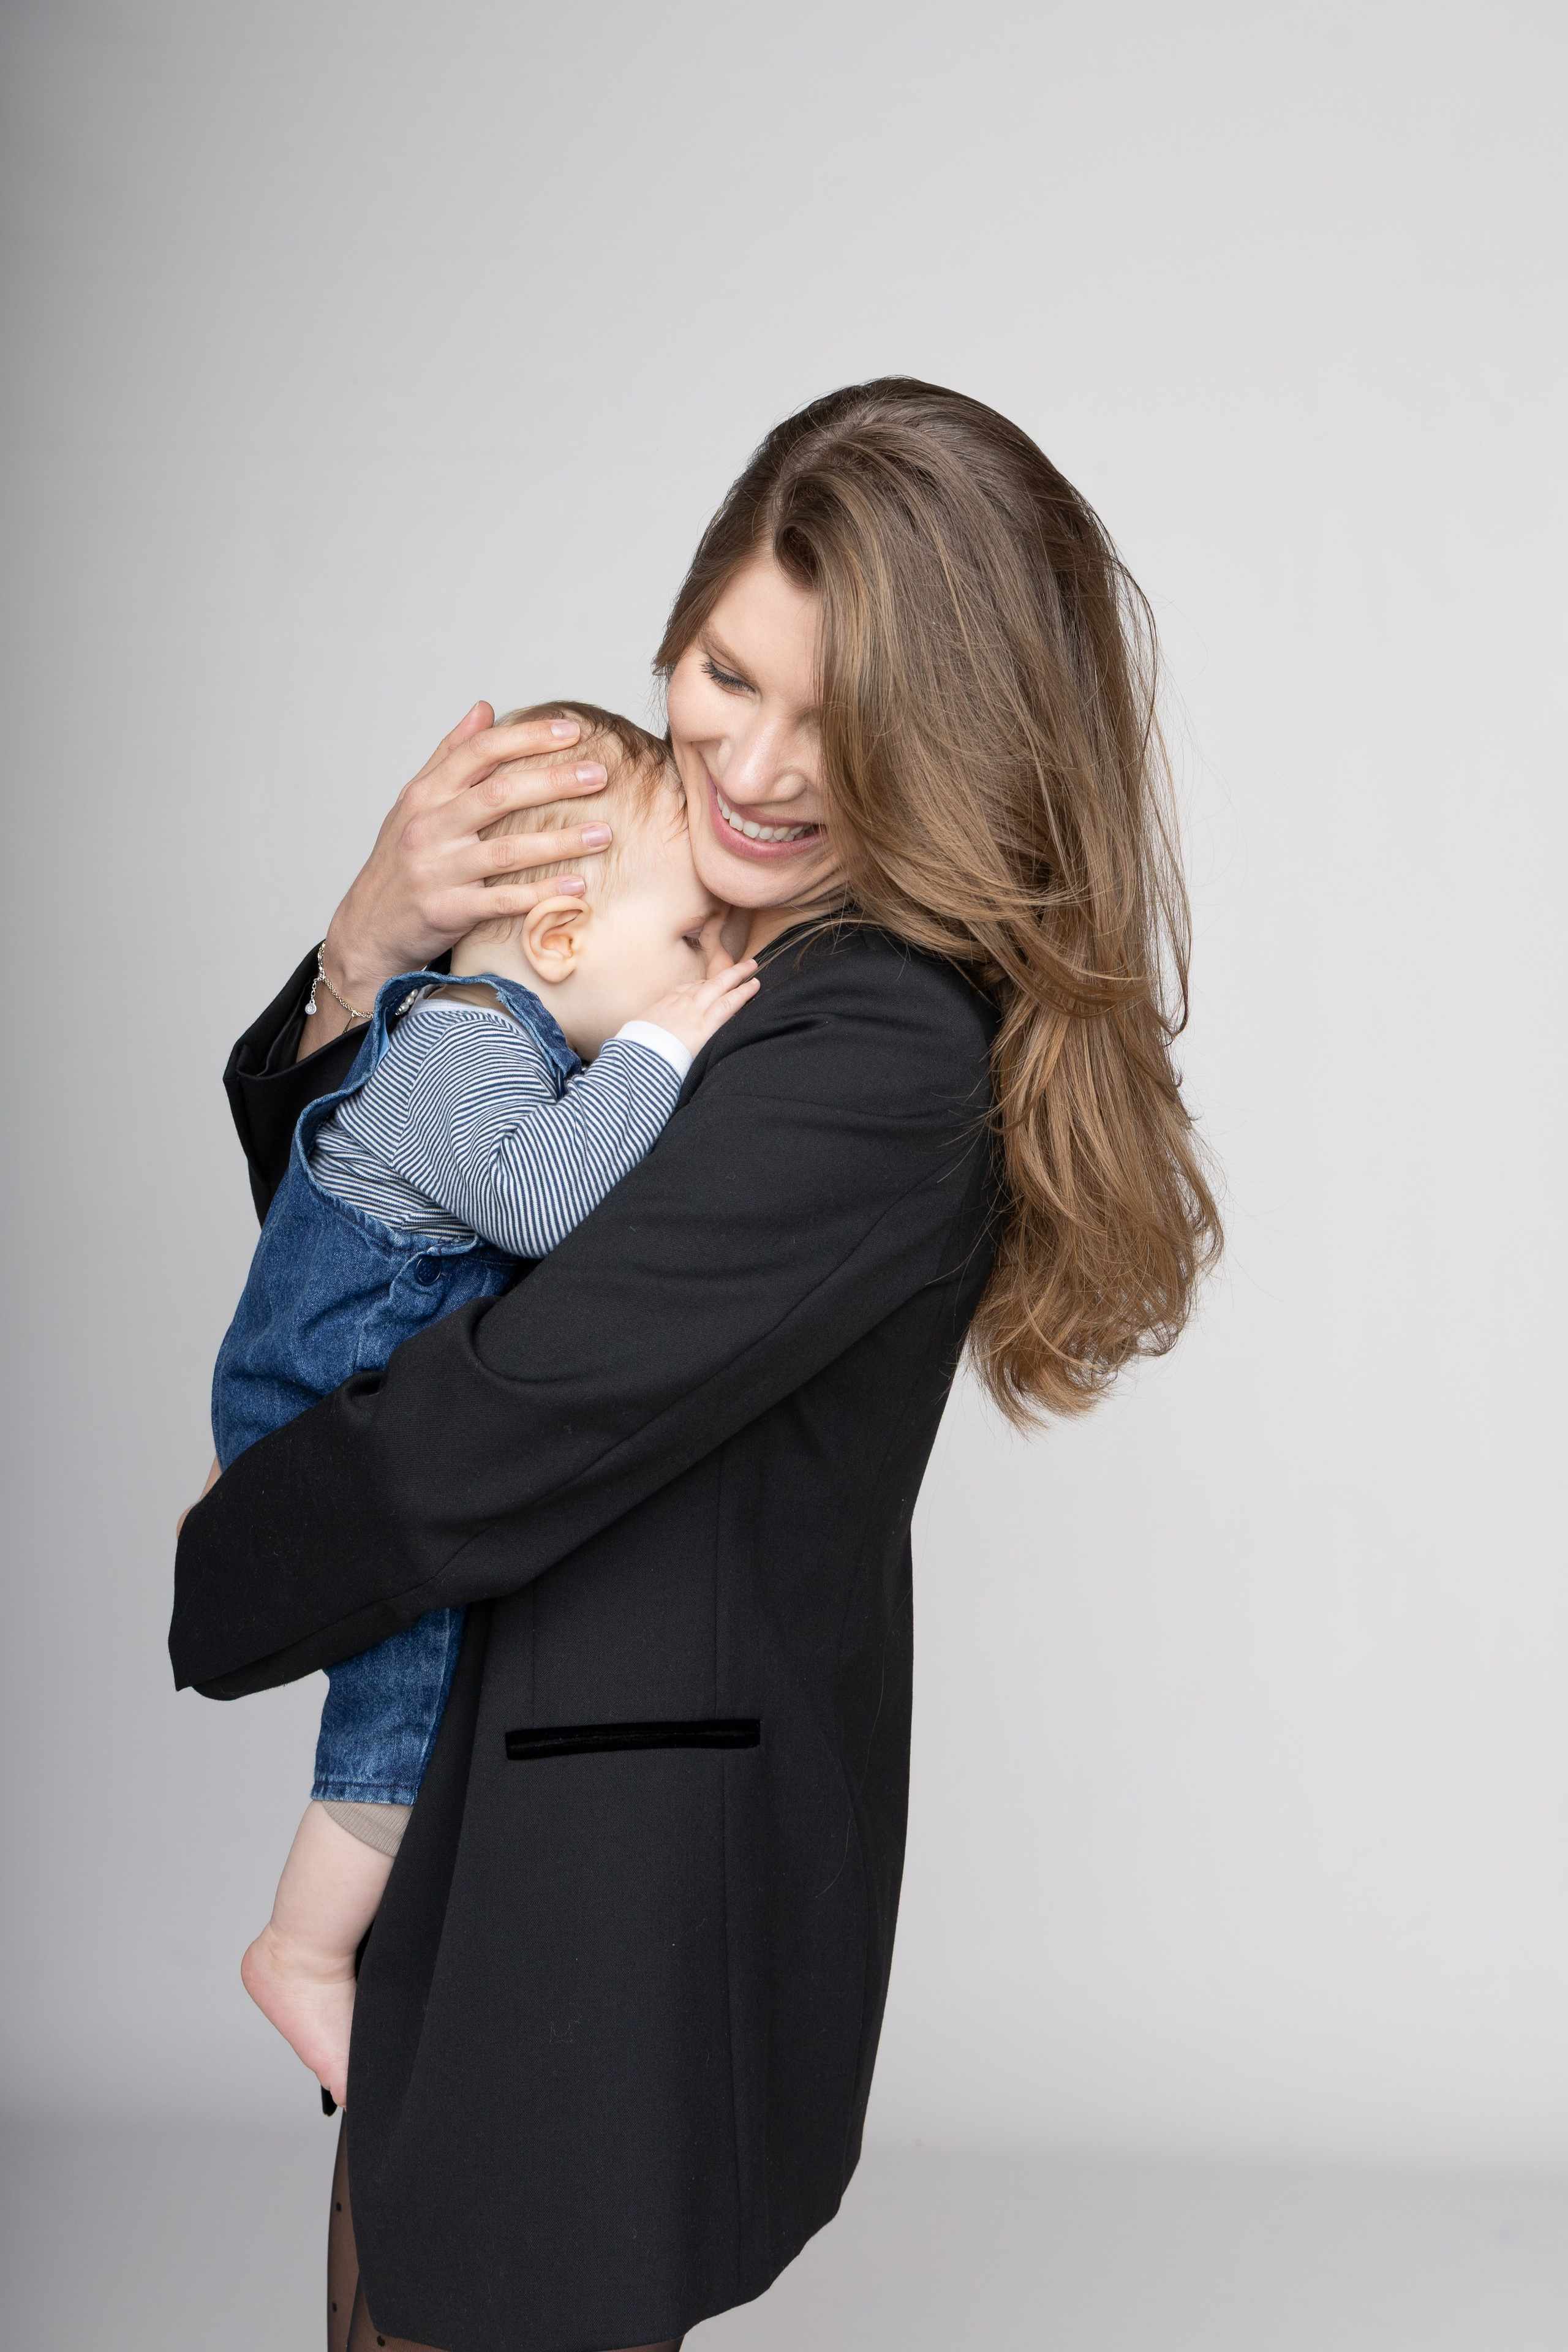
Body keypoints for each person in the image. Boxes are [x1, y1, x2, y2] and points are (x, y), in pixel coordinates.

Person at [172, 378, 1221, 2352]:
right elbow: (389, 1248)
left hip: (608, 1887)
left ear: (956, 738)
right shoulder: (685, 927)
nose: (750, 758)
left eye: (843, 720)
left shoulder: (873, 1047)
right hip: (492, 1827)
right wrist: (365, 953)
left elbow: (518, 1398)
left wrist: (232, 1552)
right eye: (728, 671)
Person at [199, 707, 758, 2115]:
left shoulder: (495, 1044)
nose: (716, 964)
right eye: (693, 936)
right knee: (403, 1700)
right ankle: (300, 1950)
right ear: (560, 941)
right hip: (334, 1425)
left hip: (362, 1407)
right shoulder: (463, 1046)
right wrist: (668, 1050)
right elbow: (545, 1200)